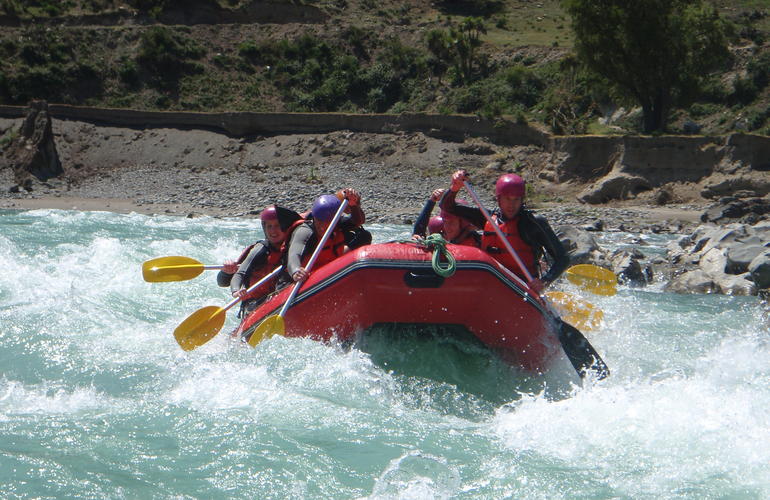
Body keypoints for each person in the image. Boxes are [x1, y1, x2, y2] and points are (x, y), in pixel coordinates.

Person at [440, 169, 569, 293]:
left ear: (522, 200)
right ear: (499, 199)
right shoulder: (487, 218)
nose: (511, 205)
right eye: (507, 198)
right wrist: (455, 188)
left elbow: (563, 258)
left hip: (523, 286)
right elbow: (447, 206)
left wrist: (545, 281)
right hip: (492, 283)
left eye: (516, 199)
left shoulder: (533, 223)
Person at [219, 205, 300, 315]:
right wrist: (235, 291)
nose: (273, 231)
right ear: (264, 229)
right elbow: (238, 275)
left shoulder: (296, 246)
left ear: (285, 226)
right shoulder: (260, 250)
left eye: (277, 225)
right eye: (269, 226)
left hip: (284, 295)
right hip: (255, 304)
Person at [283, 188, 365, 284]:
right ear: (314, 217)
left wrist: (353, 205)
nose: (322, 227)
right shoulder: (305, 231)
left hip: (325, 274)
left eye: (327, 223)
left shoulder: (336, 224)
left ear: (335, 220)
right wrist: (296, 271)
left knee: (364, 236)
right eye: (319, 222)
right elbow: (294, 254)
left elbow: (358, 221)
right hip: (296, 281)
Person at [412, 188, 480, 246]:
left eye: (451, 222)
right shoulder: (441, 238)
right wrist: (431, 201)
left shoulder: (477, 241)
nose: (447, 227)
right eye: (445, 221)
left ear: (462, 224)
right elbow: (419, 232)